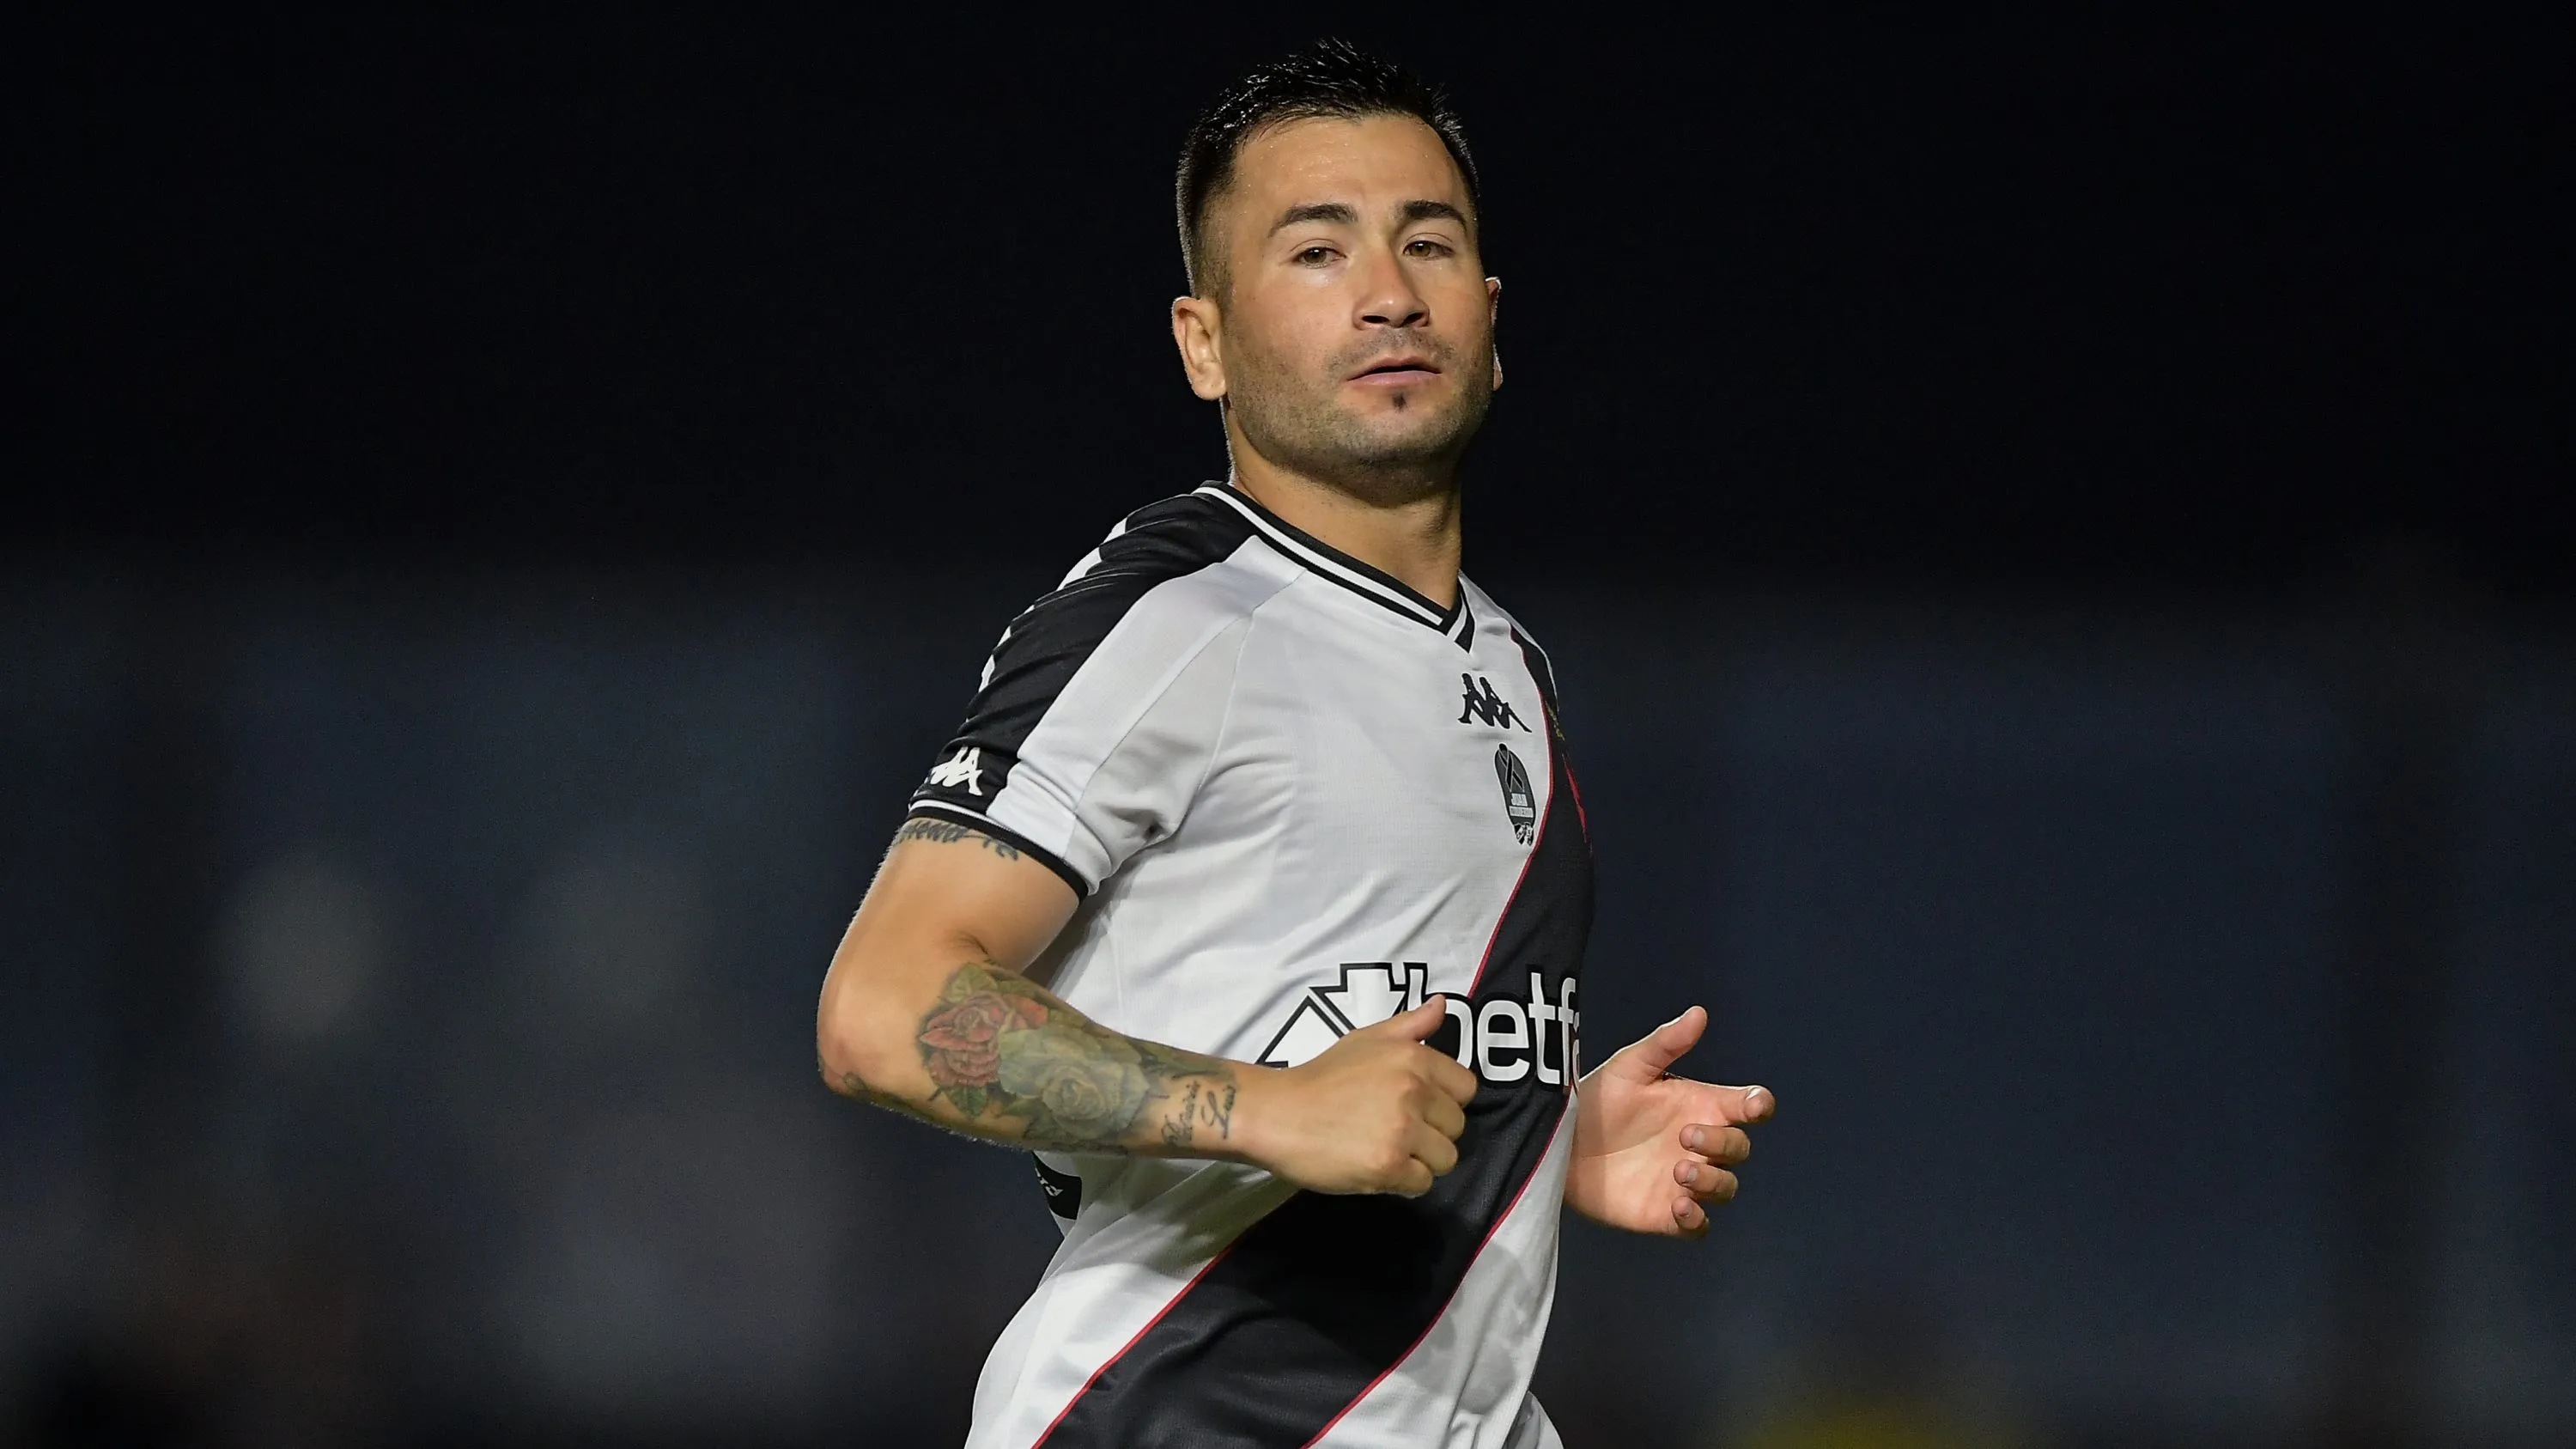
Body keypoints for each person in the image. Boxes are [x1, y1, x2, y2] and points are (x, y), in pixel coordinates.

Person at [815, 38, 1772, 1449]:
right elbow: (882, 1007)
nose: (1389, 294)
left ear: (1492, 319)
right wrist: (1269, 1111)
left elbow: (1334, 1024)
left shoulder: (1510, 663)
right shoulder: (1181, 615)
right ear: (1203, 341)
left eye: (1426, 244)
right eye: (1317, 251)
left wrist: (1537, 1135)